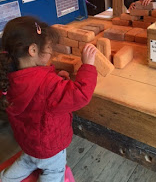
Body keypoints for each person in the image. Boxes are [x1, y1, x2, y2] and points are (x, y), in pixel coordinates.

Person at [0, 16, 97, 182]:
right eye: (49, 47)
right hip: (49, 148)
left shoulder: (7, 77)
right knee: (53, 172)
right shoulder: (48, 85)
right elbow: (80, 94)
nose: (51, 51)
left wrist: (57, 79)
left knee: (28, 161)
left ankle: (5, 178)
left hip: (28, 144)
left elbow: (36, 92)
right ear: (33, 50)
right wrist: (88, 66)